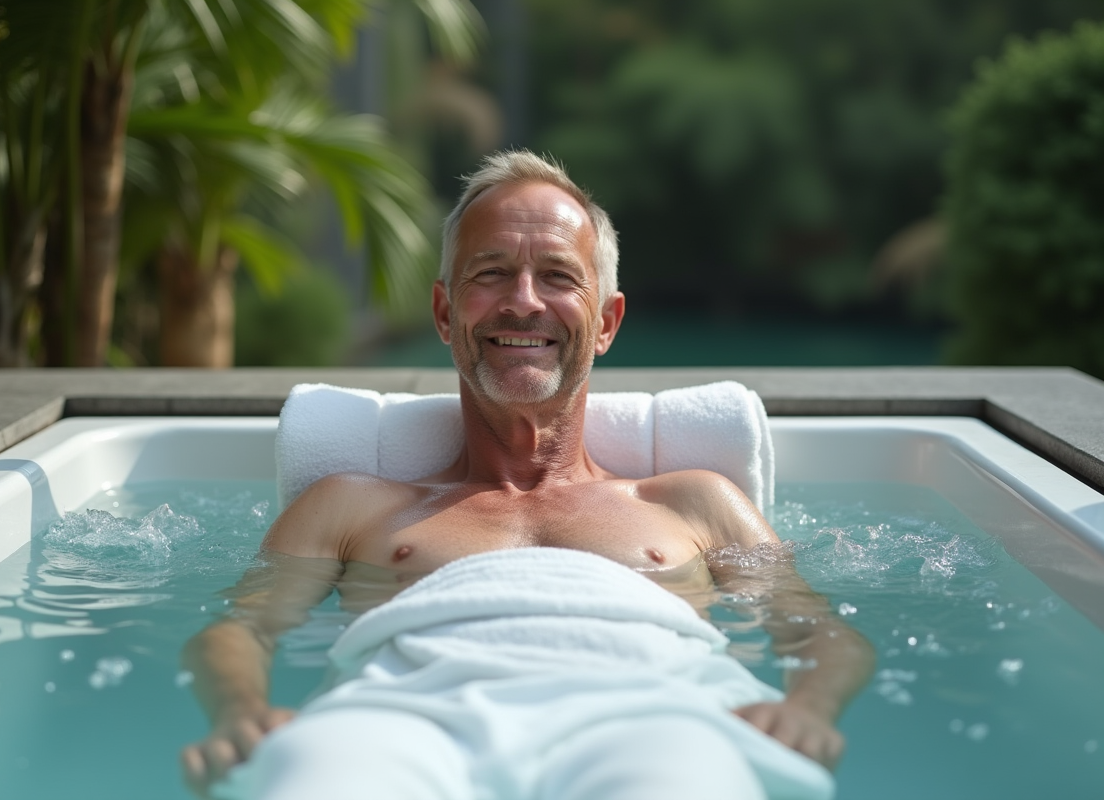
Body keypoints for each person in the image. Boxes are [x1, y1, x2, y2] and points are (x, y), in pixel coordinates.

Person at [181, 150, 874, 799]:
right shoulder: (349, 508)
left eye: (557, 275)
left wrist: (806, 709)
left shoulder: (695, 503)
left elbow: (817, 632)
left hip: (656, 714)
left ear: (605, 322)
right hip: (398, 717)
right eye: (489, 273)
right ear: (446, 313)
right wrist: (240, 714)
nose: (523, 301)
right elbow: (240, 629)